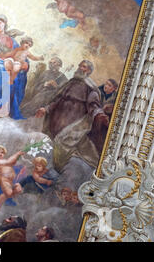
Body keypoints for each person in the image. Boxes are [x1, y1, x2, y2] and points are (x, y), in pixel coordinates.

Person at [35, 60, 109, 190]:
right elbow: (57, 100)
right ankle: (44, 176)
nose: (80, 68)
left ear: (89, 71)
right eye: (80, 65)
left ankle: (58, 182)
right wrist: (46, 109)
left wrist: (99, 115)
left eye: (84, 67)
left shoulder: (90, 87)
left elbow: (94, 106)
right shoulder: (70, 82)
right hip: (56, 121)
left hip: (72, 123)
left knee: (63, 148)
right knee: (49, 146)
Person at [0, 145, 25, 211]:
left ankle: (2, 198)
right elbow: (9, 162)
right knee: (9, 193)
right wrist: (17, 154)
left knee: (17, 191)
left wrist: (17, 158)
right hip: (4, 180)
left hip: (10, 180)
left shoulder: (4, 160)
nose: (0, 154)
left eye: (2, 152)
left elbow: (12, 162)